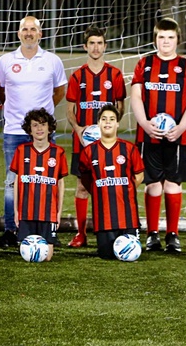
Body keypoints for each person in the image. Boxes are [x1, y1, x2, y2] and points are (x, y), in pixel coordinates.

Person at [0, 16, 67, 248]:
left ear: (40, 34)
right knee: (12, 182)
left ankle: (48, 227)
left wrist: (40, 120)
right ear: (18, 34)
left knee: (46, 180)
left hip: (43, 133)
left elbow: (59, 91)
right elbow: (0, 92)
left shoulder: (53, 61)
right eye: (24, 29)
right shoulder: (5, 61)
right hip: (14, 131)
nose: (28, 33)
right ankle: (10, 230)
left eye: (33, 29)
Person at [130, 17, 186, 253]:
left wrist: (180, 127)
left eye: (170, 37)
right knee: (152, 184)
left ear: (177, 40)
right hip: (148, 136)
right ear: (155, 39)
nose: (166, 42)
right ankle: (152, 234)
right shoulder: (144, 64)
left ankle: (172, 234)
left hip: (178, 137)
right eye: (161, 37)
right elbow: (136, 96)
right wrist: (144, 123)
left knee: (172, 184)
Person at [65, 24, 126, 248]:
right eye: (92, 43)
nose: (96, 47)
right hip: (83, 143)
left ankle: (109, 230)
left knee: (108, 185)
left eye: (100, 43)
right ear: (85, 46)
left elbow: (120, 107)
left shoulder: (115, 75)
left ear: (105, 46)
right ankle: (81, 234)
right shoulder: (77, 76)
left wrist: (110, 130)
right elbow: (70, 109)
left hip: (107, 144)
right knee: (82, 187)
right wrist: (79, 130)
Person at [79, 104, 144, 260]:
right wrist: (99, 190)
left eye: (112, 119)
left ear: (117, 124)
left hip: (128, 217)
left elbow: (139, 175)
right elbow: (86, 179)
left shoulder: (129, 149)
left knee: (131, 255)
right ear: (98, 123)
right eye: (104, 119)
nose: (108, 122)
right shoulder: (88, 151)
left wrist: (125, 189)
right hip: (104, 219)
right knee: (106, 255)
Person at [11, 108, 67, 261]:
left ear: (50, 128)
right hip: (26, 212)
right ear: (29, 129)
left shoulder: (58, 153)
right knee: (27, 255)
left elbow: (60, 184)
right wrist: (16, 211)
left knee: (46, 257)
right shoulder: (22, 151)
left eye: (43, 124)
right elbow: (16, 182)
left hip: (48, 213)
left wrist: (58, 213)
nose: (39, 128)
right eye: (35, 125)